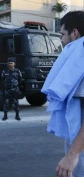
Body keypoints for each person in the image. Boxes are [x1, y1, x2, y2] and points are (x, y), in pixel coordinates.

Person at [42, 10, 84, 177]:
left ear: (75, 33)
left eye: (62, 34)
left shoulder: (79, 58)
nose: (61, 40)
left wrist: (72, 155)